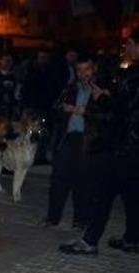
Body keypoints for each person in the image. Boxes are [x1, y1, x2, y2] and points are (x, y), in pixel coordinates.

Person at [60, 30, 139, 255]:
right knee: (131, 193)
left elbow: (123, 111)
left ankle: (90, 241)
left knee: (104, 193)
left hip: (124, 144)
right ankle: (132, 239)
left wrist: (103, 98)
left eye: (130, 44)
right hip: (131, 145)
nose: (128, 49)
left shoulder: (133, 75)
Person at [43, 53, 109, 230]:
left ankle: (81, 219)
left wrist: (85, 111)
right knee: (59, 178)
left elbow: (109, 116)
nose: (82, 73)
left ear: (94, 68)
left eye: (86, 69)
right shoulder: (71, 88)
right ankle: (53, 217)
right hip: (68, 136)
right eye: (79, 70)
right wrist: (64, 110)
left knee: (83, 180)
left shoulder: (102, 88)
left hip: (89, 139)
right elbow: (54, 109)